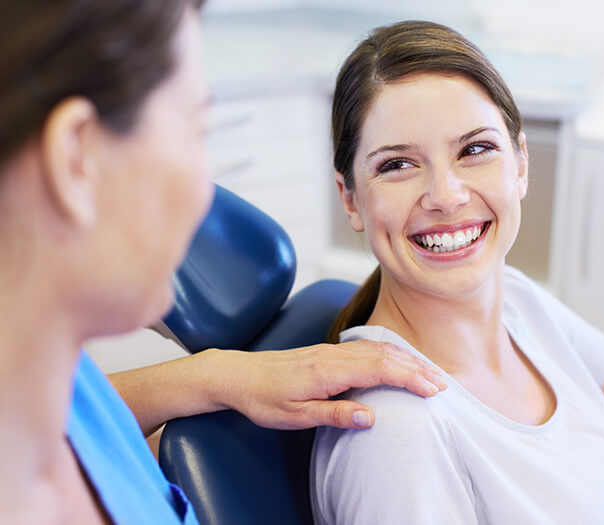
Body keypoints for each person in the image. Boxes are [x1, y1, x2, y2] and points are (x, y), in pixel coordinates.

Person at [0, 2, 455, 524]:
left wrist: (214, 376)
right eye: (196, 131)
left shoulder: (55, 379)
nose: (205, 196)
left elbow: (87, 415)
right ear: (76, 160)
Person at [310, 20, 604, 525]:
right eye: (397, 165)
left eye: (475, 150)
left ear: (519, 164)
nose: (446, 196)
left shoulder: (520, 302)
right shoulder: (395, 433)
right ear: (350, 198)